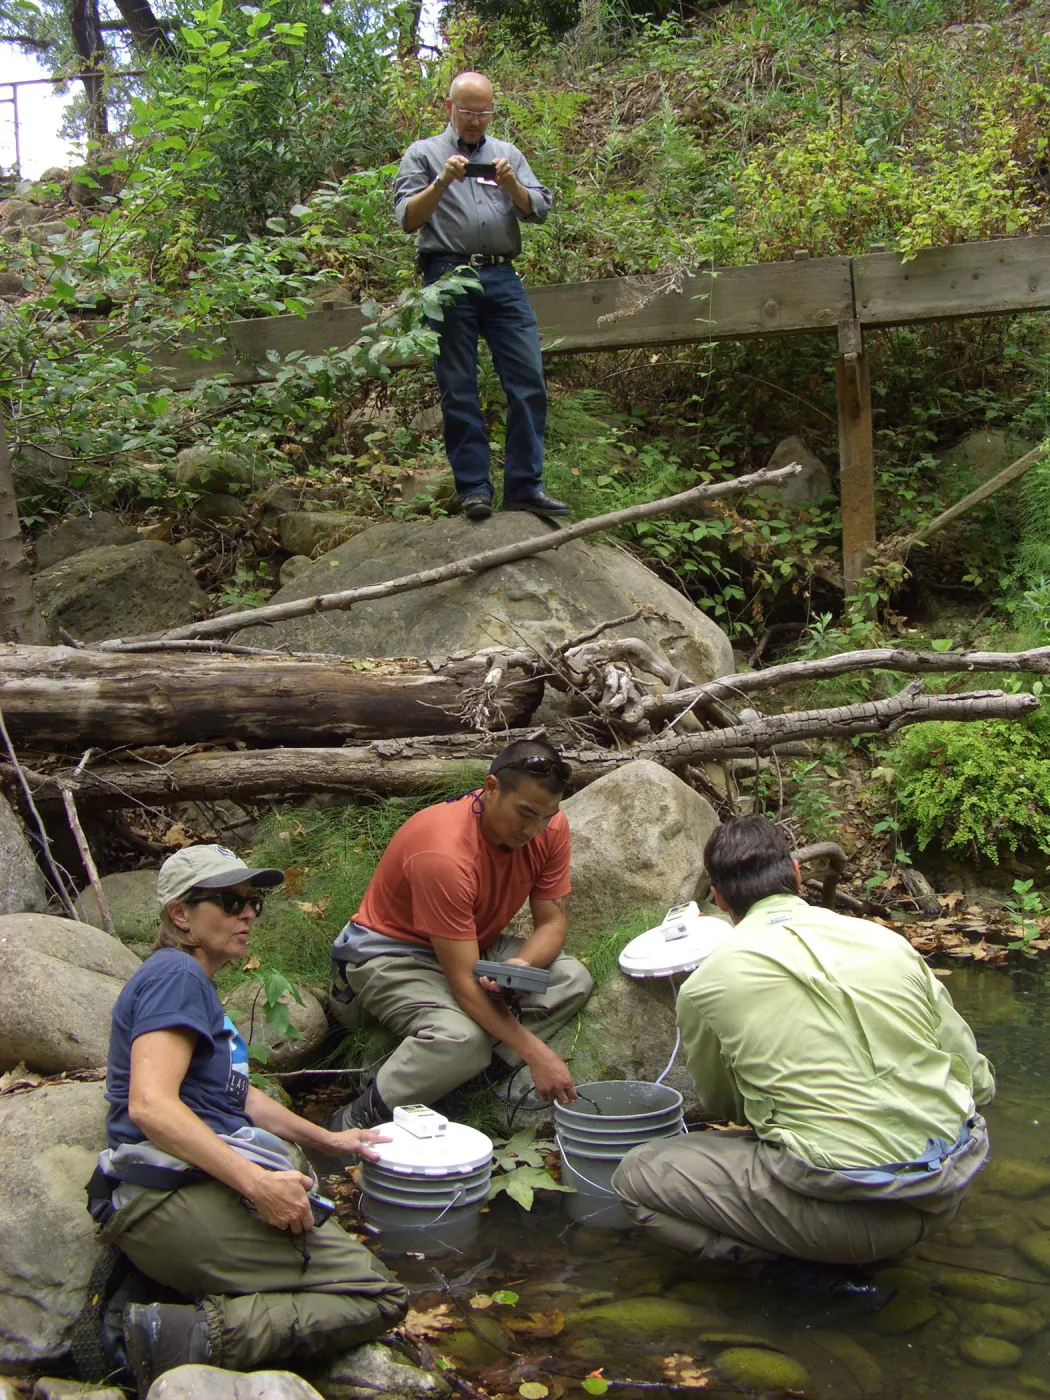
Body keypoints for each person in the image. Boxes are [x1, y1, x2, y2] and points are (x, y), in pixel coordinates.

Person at [612, 816, 995, 1281]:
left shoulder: (706, 984)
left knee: (636, 1177)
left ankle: (811, 1277)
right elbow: (977, 1079)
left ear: (718, 898)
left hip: (846, 1207)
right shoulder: (888, 942)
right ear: (796, 873)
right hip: (952, 1180)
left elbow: (722, 1104)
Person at [89, 844, 408, 1397]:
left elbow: (238, 1099)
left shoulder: (189, 979)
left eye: (253, 901)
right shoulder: (176, 976)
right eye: (230, 901)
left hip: (180, 1190)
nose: (248, 915)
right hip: (166, 1197)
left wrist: (330, 1138)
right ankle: (177, 1337)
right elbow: (151, 1105)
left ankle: (177, 1294)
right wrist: (259, 1184)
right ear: (180, 915)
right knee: (378, 1295)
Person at [328, 739, 593, 1129]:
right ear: (490, 788)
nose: (534, 830)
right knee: (461, 1040)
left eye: (545, 816)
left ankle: (458, 1089)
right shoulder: (444, 853)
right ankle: (356, 1120)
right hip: (392, 953)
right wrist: (536, 1053)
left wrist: (520, 966)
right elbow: (465, 983)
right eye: (525, 813)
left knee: (572, 979)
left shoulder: (550, 827)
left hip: (471, 942)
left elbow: (552, 923)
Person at [393, 71, 568, 523]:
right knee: (458, 385)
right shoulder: (424, 153)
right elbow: (407, 219)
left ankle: (525, 486)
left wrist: (512, 184)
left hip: (502, 276)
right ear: (448, 107)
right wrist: (441, 183)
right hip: (448, 275)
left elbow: (541, 209)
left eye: (484, 112)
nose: (475, 121)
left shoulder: (507, 154)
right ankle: (474, 488)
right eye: (467, 111)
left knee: (528, 379)